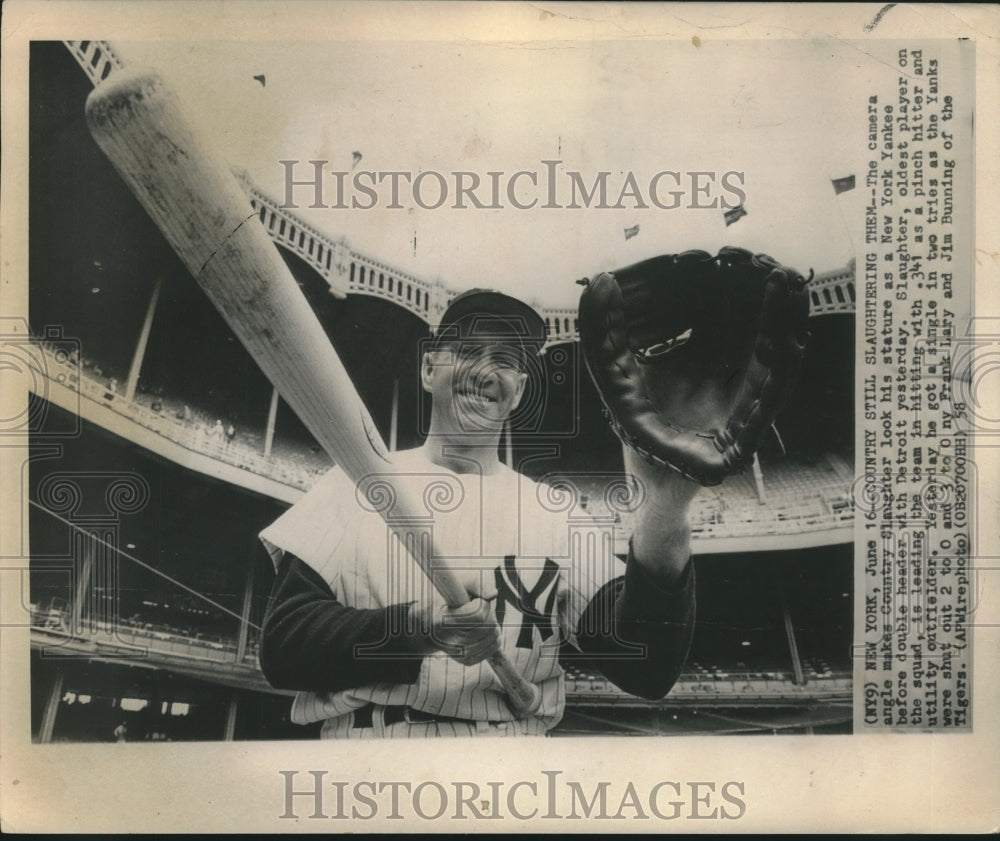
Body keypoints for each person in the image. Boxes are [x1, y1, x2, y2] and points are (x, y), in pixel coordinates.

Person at [258, 290, 698, 738]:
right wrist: (416, 629)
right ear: (429, 369)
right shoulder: (355, 479)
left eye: (506, 360)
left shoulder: (555, 513)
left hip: (510, 770)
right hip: (370, 763)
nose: (488, 370)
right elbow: (283, 646)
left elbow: (647, 667)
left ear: (519, 390)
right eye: (468, 351)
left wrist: (665, 511)